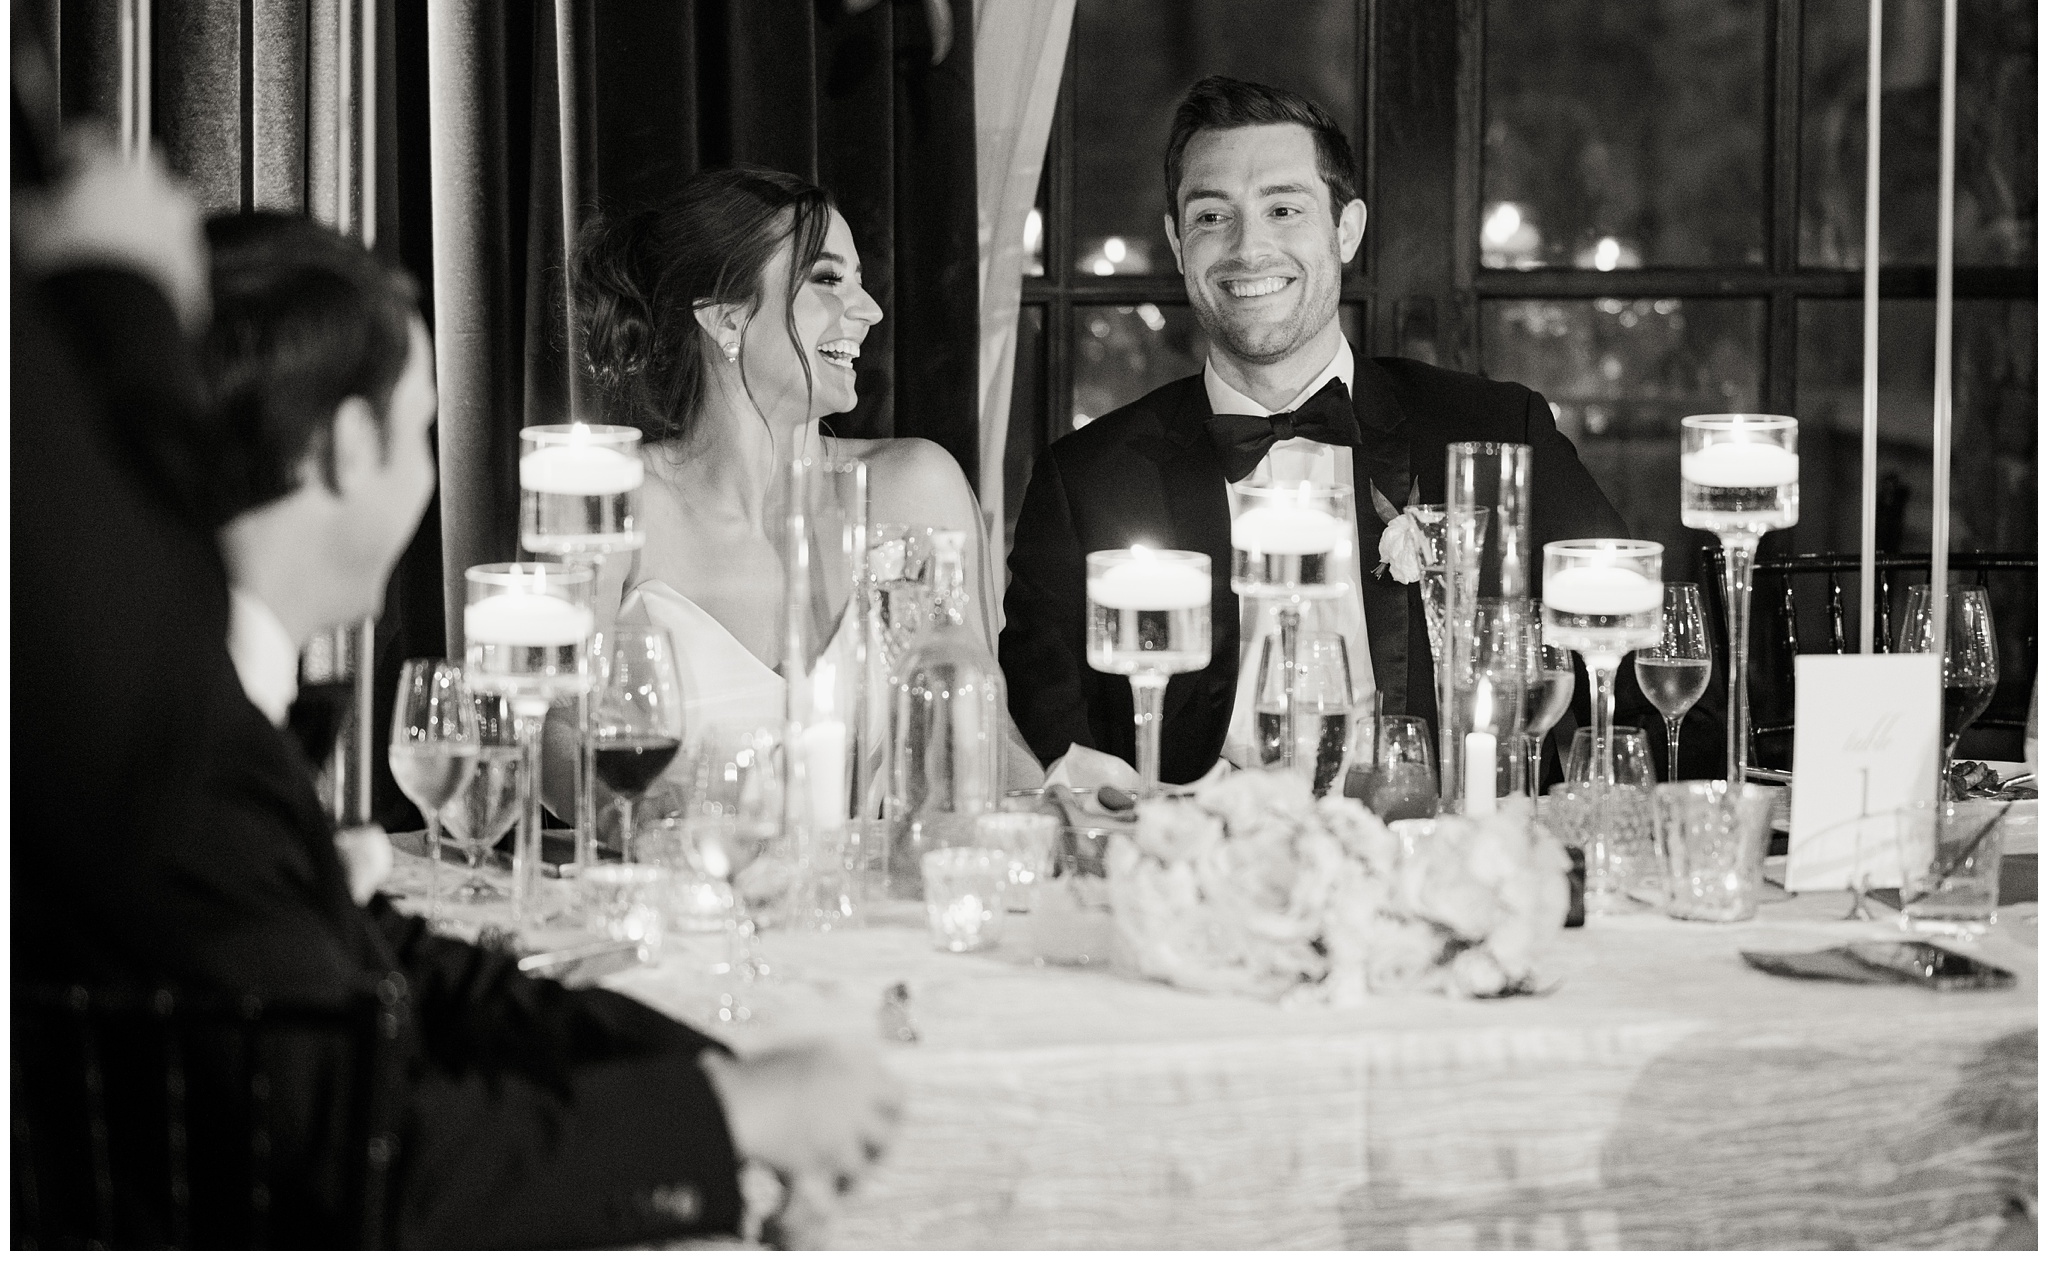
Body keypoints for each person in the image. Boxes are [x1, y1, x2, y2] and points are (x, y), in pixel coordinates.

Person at [16, 189, 899, 1245]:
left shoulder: (186, 717)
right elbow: (365, 1164)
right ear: (349, 445)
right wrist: (730, 1115)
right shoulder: (173, 767)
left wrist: (695, 1064)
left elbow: (396, 968)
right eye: (423, 422)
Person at [1001, 75, 1637, 785]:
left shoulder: (1492, 432)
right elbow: (1050, 730)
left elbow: (1637, 655)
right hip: (1202, 874)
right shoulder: (1088, 481)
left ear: (1347, 229)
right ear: (1177, 244)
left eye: (1283, 208)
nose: (1248, 248)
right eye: (1212, 216)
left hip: (1435, 863)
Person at [574, 166, 1042, 797]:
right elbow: (551, 740)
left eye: (860, 281)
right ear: (728, 320)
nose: (870, 310)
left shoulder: (913, 488)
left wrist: (1057, 810)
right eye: (827, 280)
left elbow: (984, 735)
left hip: (871, 891)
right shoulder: (616, 500)